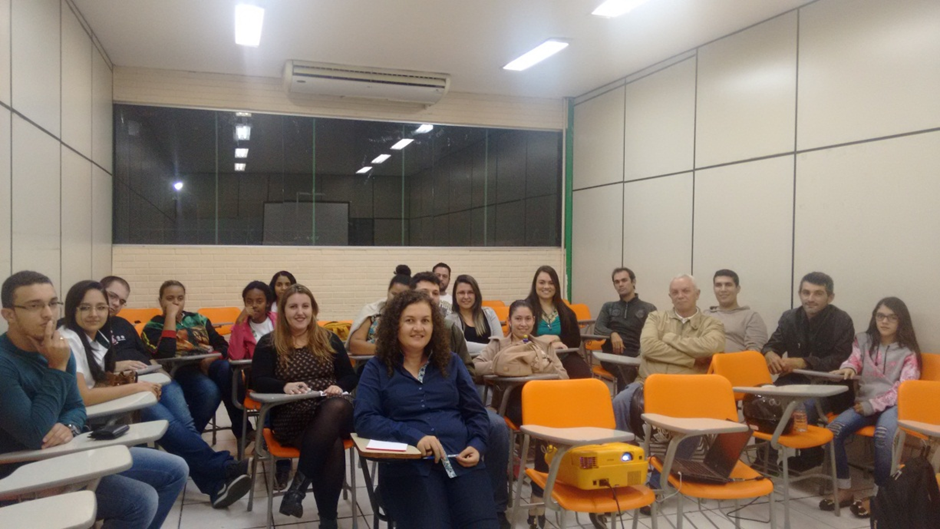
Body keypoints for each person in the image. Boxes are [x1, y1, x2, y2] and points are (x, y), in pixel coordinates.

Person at [0, 271, 188, 528]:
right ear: (8, 314)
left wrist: (69, 426)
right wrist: (56, 368)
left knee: (175, 469)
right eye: (34, 306)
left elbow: (76, 406)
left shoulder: (57, 348)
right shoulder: (12, 362)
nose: (48, 314)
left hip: (69, 452)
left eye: (52, 303)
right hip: (23, 475)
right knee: (141, 500)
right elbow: (35, 433)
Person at [59, 280, 252, 509]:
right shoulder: (69, 338)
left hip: (133, 384)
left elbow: (102, 377)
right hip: (96, 411)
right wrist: (136, 386)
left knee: (181, 422)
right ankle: (223, 467)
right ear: (72, 307)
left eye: (103, 306)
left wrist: (146, 376)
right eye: (87, 307)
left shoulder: (99, 334)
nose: (98, 312)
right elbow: (84, 395)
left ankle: (216, 485)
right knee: (168, 423)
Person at [355, 289, 499, 528]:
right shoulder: (376, 368)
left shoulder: (451, 362)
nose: (418, 328)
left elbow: (475, 412)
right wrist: (414, 437)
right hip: (409, 468)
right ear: (395, 325)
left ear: (434, 326)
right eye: (409, 321)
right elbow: (365, 419)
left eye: (425, 321)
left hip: (461, 462)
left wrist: (477, 444)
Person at [411, 271, 512, 527]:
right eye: (424, 293)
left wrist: (450, 385)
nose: (431, 298)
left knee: (497, 427)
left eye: (435, 293)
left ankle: (496, 504)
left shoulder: (450, 330)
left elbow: (468, 369)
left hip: (456, 403)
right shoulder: (403, 330)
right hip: (418, 410)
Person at [251, 285, 358, 525]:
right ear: (283, 311)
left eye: (305, 306)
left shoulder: (329, 339)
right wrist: (284, 386)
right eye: (293, 307)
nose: (300, 312)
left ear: (313, 310)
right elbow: (257, 381)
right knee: (332, 446)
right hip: (293, 416)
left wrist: (338, 386)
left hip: (334, 410)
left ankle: (296, 490)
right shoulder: (269, 343)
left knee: (337, 406)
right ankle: (328, 522)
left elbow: (350, 377)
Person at [821, 297, 920, 518]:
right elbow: (854, 359)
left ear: (901, 321)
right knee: (832, 431)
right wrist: (848, 368)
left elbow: (904, 389)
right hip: (865, 403)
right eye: (880, 316)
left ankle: (879, 496)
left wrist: (872, 405)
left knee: (884, 435)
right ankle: (844, 489)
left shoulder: (908, 352)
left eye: (892, 317)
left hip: (894, 406)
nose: (884, 321)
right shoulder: (863, 340)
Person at [474, 299, 568, 529]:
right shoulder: (498, 344)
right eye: (518, 319)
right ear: (509, 321)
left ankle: (538, 496)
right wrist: (503, 365)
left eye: (527, 319)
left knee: (546, 429)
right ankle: (509, 501)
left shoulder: (543, 346)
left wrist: (538, 367)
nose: (523, 323)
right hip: (511, 404)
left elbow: (563, 376)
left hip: (542, 404)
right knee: (540, 425)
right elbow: (475, 366)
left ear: (534, 321)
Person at [762, 271, 854, 470]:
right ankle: (765, 461)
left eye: (818, 293)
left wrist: (803, 362)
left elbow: (840, 360)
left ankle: (810, 456)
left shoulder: (842, 321)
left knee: (804, 406)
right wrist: (769, 353)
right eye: (806, 292)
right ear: (799, 294)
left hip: (828, 387)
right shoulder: (789, 317)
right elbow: (771, 344)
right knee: (762, 401)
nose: (810, 298)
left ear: (830, 297)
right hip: (793, 381)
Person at [612, 274, 725, 432]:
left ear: (697, 294)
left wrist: (671, 338)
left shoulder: (712, 323)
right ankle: (626, 445)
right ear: (670, 296)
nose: (680, 296)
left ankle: (681, 449)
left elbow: (712, 346)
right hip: (647, 383)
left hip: (688, 386)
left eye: (686, 291)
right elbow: (648, 347)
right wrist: (691, 360)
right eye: (675, 292)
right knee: (620, 401)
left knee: (695, 415)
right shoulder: (656, 318)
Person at [141, 280, 246, 441]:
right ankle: (189, 441)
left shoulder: (199, 319)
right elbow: (165, 353)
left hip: (207, 364)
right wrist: (170, 317)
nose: (176, 303)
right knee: (210, 391)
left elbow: (223, 345)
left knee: (227, 369)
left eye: (180, 298)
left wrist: (212, 358)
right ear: (160, 301)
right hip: (180, 369)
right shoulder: (153, 326)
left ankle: (241, 428)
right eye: (170, 298)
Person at [593, 267, 657, 391]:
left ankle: (633, 400)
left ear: (633, 282)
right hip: (611, 356)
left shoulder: (648, 308)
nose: (620, 284)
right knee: (627, 369)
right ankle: (627, 402)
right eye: (617, 282)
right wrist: (612, 333)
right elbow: (598, 329)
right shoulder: (609, 307)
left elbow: (655, 334)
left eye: (624, 280)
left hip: (637, 355)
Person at [525, 265, 590, 379]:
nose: (546, 286)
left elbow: (575, 341)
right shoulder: (525, 309)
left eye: (551, 283)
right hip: (535, 357)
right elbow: (522, 338)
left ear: (556, 286)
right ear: (535, 284)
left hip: (563, 356)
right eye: (542, 282)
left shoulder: (567, 312)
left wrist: (558, 339)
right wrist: (547, 342)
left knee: (583, 373)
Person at [347, 265, 411, 356]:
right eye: (394, 294)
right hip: (368, 362)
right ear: (388, 292)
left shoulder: (415, 317)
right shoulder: (372, 311)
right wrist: (388, 350)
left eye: (402, 296)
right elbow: (355, 345)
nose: (397, 299)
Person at [705, 269, 768, 353]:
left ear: (738, 289)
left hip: (736, 360)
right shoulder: (705, 315)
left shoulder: (751, 317)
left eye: (728, 285)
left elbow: (754, 352)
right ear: (714, 289)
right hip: (703, 359)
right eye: (718, 285)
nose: (723, 289)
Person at [446, 274, 504, 354]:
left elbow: (500, 341)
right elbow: (463, 346)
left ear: (476, 294)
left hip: (493, 358)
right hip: (467, 361)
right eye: (461, 292)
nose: (466, 296)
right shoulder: (450, 320)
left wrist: (494, 349)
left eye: (470, 292)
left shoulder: (489, 313)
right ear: (455, 296)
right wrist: (492, 348)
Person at [229, 281, 277, 360]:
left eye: (259, 301)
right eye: (249, 302)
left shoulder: (279, 320)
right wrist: (239, 321)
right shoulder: (240, 327)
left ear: (267, 303)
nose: (254, 305)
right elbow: (235, 356)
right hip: (256, 366)